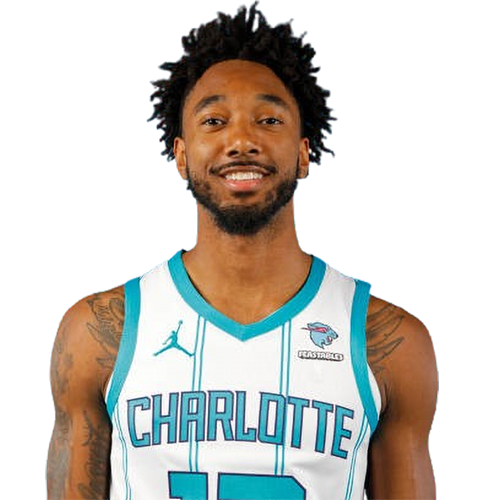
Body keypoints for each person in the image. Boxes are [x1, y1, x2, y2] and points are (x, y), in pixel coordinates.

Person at [46, 6, 438, 500]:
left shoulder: (389, 342)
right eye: (214, 121)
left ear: (303, 153)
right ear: (181, 154)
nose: (241, 141)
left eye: (268, 119)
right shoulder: (101, 332)